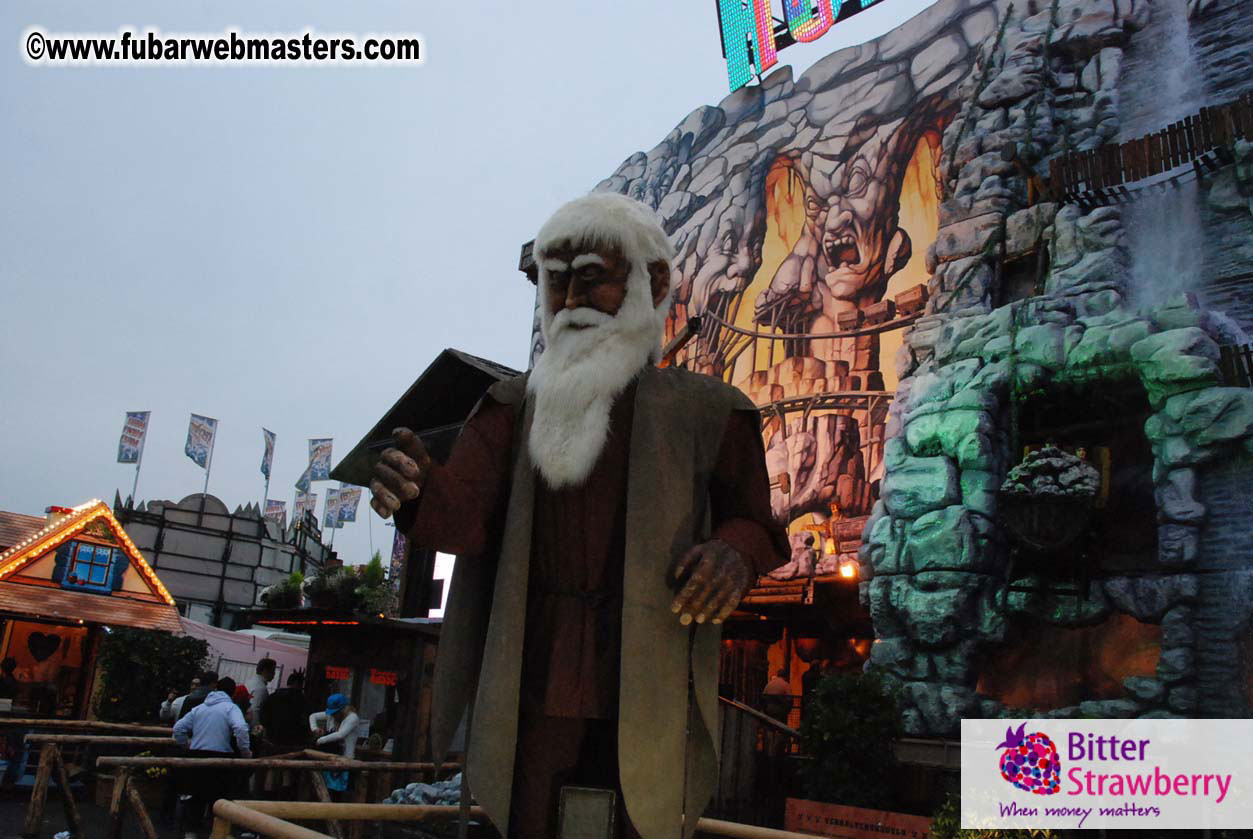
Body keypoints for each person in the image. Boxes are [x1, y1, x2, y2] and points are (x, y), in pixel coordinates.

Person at [369, 193, 787, 839]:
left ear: (652, 282)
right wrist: (417, 490)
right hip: (532, 672)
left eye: (592, 278)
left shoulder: (710, 412)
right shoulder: (509, 406)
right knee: (531, 814)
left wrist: (733, 551)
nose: (569, 301)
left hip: (647, 670)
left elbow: (756, 522)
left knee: (639, 815)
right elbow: (463, 521)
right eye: (555, 282)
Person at [172, 676, 251, 837]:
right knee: (219, 802)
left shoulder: (200, 708)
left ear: (216, 689)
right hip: (220, 759)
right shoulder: (231, 708)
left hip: (196, 757)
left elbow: (178, 728)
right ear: (232, 693)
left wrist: (186, 745)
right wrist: (245, 752)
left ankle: (190, 835)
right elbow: (241, 728)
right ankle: (215, 834)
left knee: (195, 799)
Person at [308, 693, 359, 794]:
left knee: (339, 793)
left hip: (346, 760)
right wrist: (315, 729)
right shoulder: (332, 716)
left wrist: (320, 740)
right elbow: (313, 716)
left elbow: (340, 735)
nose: (333, 715)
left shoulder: (352, 718)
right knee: (325, 790)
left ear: (343, 709)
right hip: (331, 758)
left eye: (336, 712)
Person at [245, 658, 276, 725]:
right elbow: (255, 712)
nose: (274, 674)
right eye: (273, 670)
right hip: (250, 726)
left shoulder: (250, 681)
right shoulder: (261, 688)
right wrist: (256, 730)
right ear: (265, 671)